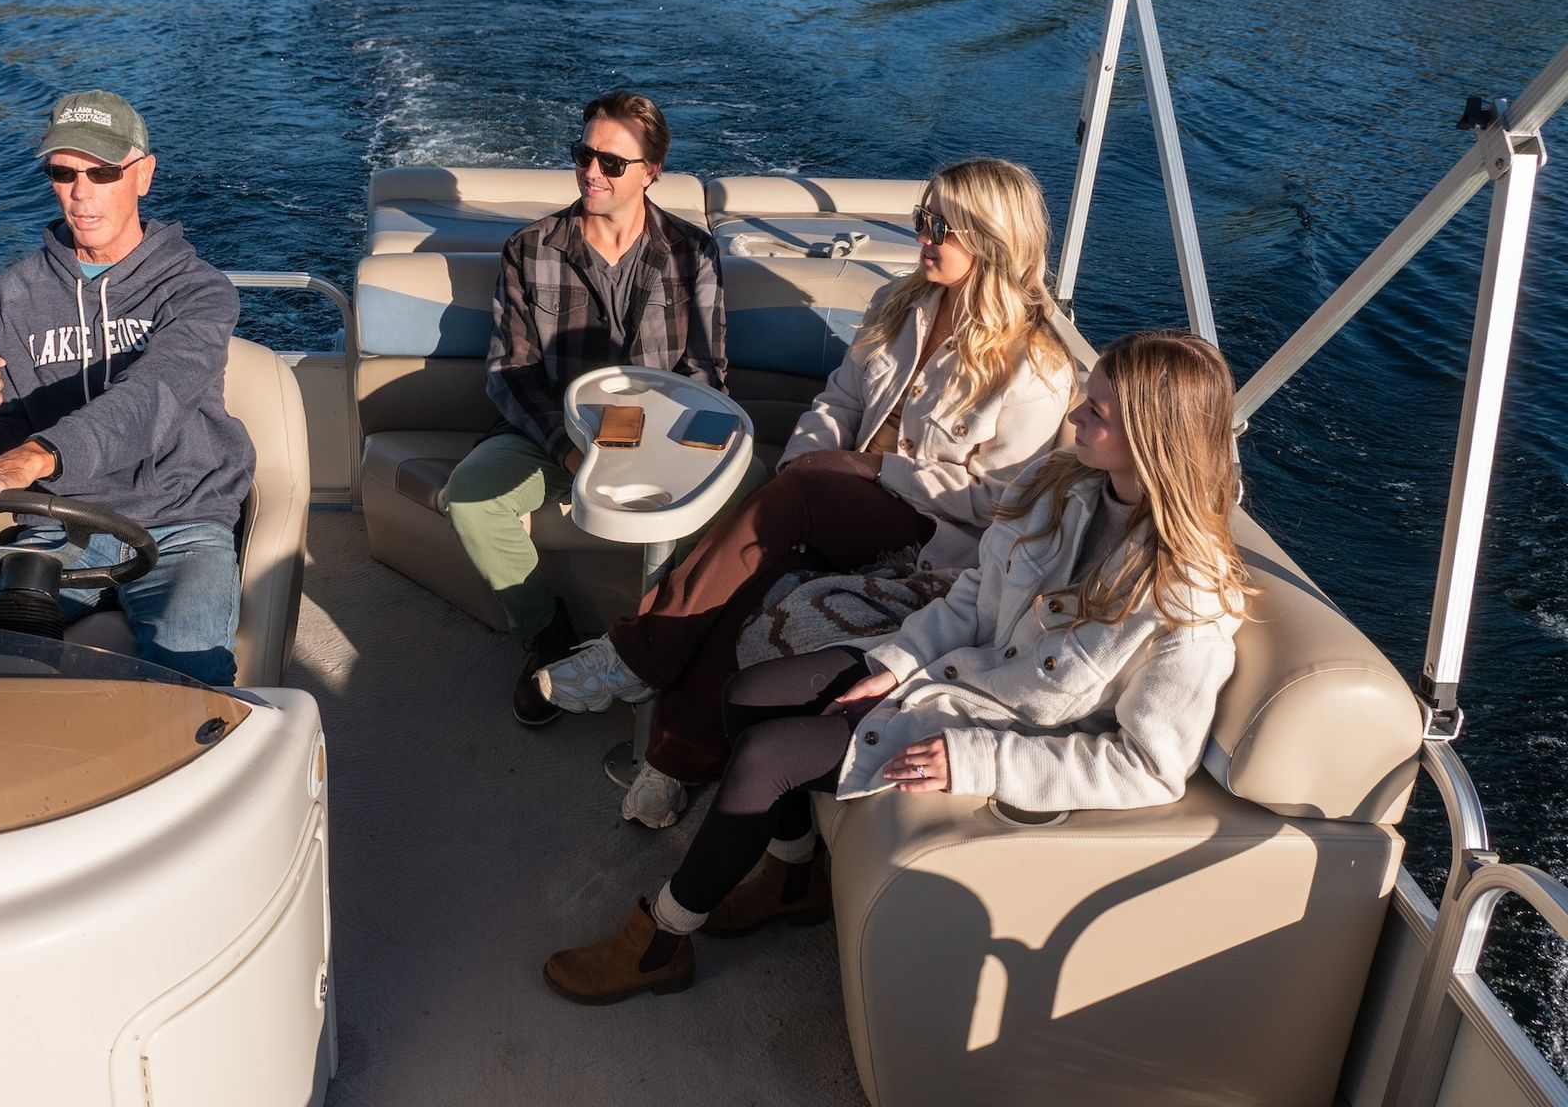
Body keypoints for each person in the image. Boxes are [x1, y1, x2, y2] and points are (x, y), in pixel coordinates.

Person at [542, 329, 1253, 1004]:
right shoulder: (1062, 485)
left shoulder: (1188, 595)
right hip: (944, 668)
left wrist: (979, 761)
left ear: (1155, 440)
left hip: (996, 730)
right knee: (748, 694)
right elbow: (975, 598)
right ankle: (794, 879)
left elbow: (1152, 767)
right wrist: (898, 656)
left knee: (766, 756)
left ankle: (663, 940)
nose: (1073, 416)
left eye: (1094, 411)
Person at [537, 158, 1073, 827]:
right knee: (753, 584)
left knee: (798, 499)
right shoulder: (902, 303)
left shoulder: (1035, 367)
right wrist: (804, 461)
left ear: (992, 239)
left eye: (941, 226)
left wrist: (872, 472)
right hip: (836, 497)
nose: (923, 237)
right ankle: (672, 763)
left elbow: (996, 500)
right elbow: (840, 399)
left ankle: (634, 655)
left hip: (929, 537)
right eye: (921, 220)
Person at [0, 89, 255, 686]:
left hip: (180, 521)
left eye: (102, 172)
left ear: (143, 175)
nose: (81, 191)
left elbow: (152, 398)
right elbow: (1, 449)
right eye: (63, 172)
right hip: (59, 521)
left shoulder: (199, 291)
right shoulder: (14, 295)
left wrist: (25, 460)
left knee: (191, 687)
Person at [442, 90, 729, 727]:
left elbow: (706, 374)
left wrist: (656, 453)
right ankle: (546, 632)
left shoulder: (693, 253)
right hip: (554, 436)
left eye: (611, 163)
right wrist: (572, 450)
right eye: (583, 155)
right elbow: (510, 374)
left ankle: (659, 641)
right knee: (470, 497)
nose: (591, 172)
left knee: (755, 500)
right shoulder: (530, 249)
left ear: (651, 172)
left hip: (660, 439)